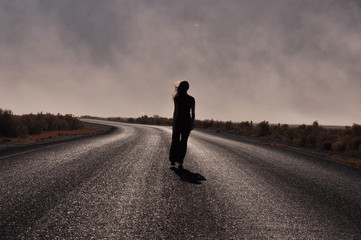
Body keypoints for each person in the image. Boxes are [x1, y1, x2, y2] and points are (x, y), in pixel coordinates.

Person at [169, 80, 195, 169]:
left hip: (178, 122)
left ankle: (173, 159)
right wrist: (192, 123)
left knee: (175, 141)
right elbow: (193, 113)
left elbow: (175, 112)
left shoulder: (177, 98)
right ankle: (180, 161)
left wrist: (174, 123)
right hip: (187, 122)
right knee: (183, 142)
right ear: (188, 88)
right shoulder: (191, 99)